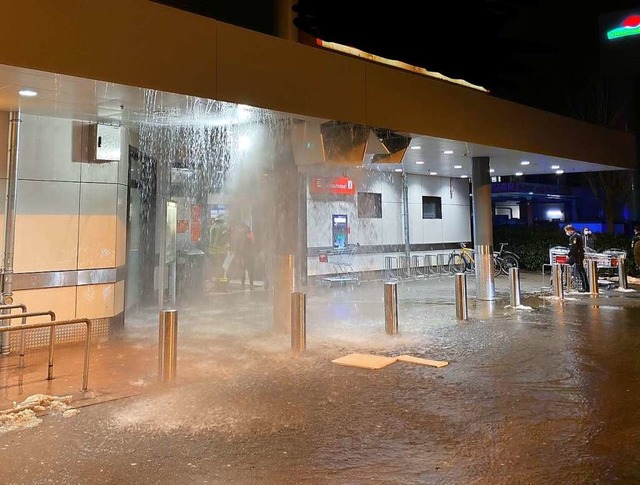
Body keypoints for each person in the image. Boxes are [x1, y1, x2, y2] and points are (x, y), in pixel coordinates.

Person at [564, 224, 589, 292]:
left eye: (567, 231)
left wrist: (568, 255)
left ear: (570, 230)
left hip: (578, 255)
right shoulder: (573, 236)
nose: (566, 232)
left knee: (581, 271)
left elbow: (574, 248)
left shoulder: (575, 237)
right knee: (566, 265)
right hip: (575, 255)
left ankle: (586, 287)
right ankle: (566, 281)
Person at [231, 221, 255, 290]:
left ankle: (243, 284)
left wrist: (236, 254)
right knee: (250, 270)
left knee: (242, 269)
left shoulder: (239, 235)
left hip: (243, 255)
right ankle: (251, 284)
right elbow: (253, 243)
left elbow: (236, 245)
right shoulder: (250, 234)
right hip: (249, 255)